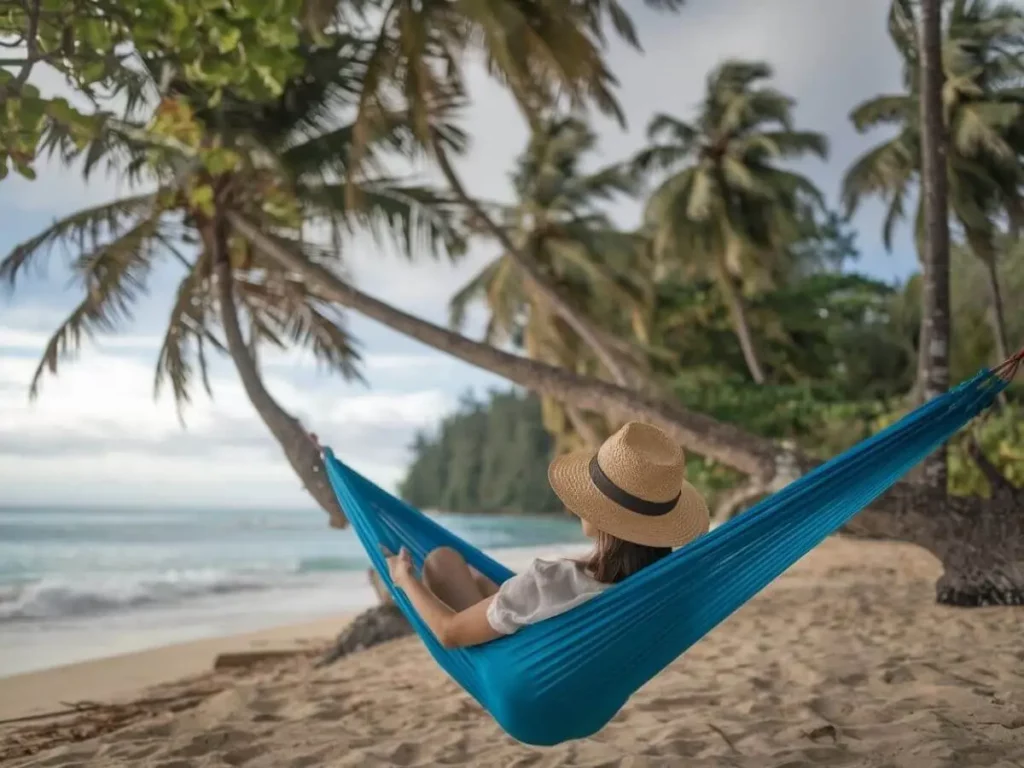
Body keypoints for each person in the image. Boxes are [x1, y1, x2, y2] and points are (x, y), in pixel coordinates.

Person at [384, 421, 710, 649]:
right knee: (478, 580)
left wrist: (404, 579)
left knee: (442, 562)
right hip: (595, 697)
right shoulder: (667, 587)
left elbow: (448, 633)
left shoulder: (553, 580)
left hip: (522, 690)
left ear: (605, 517)